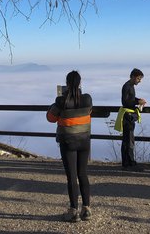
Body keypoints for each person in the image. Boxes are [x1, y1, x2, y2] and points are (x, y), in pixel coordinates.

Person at [47, 70, 93, 223]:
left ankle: (73, 211)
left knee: (72, 177)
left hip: (68, 142)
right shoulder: (87, 99)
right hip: (85, 141)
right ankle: (86, 209)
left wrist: (58, 101)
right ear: (80, 83)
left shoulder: (61, 101)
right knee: (83, 174)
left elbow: (50, 118)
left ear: (66, 84)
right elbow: (88, 111)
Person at [117, 68, 146, 170]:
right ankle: (129, 163)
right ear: (133, 77)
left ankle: (127, 163)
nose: (139, 81)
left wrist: (139, 100)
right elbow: (125, 102)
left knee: (128, 140)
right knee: (128, 140)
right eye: (138, 78)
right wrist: (138, 102)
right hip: (127, 117)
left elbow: (131, 99)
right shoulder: (127, 86)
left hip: (129, 116)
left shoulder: (130, 86)